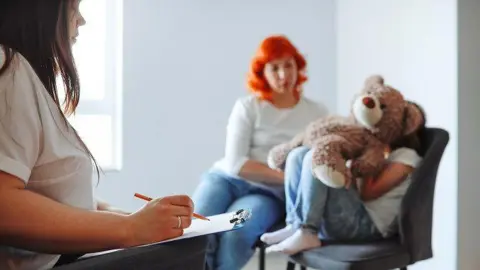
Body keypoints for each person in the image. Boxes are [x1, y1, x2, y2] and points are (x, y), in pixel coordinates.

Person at [0, 1, 198, 269]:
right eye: (74, 7)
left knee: (185, 244)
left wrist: (121, 215)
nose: (81, 20)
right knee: (187, 251)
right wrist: (129, 227)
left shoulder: (24, 78)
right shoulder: (8, 69)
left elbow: (49, 190)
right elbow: (5, 205)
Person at [192, 35, 329, 270]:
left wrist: (287, 182)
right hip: (226, 180)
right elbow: (236, 164)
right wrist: (289, 179)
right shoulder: (248, 106)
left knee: (237, 230)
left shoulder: (316, 112)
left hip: (268, 194)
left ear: (298, 66)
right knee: (197, 226)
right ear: (262, 72)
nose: (283, 75)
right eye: (274, 68)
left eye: (288, 65)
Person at [261, 107, 426, 255]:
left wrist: (369, 160)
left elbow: (368, 193)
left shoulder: (407, 156)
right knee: (299, 154)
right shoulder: (384, 152)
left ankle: (308, 231)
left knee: (317, 157)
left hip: (368, 227)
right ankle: (295, 224)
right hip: (350, 215)